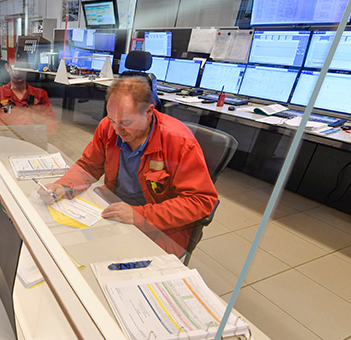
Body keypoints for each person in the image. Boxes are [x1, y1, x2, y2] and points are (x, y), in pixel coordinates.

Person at [38, 77, 217, 257]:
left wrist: (138, 215)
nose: (117, 129)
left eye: (125, 122)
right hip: (114, 203)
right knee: (67, 244)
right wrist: (64, 186)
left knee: (112, 263)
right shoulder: (108, 127)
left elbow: (200, 201)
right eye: (112, 120)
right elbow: (89, 165)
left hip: (160, 224)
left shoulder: (179, 142)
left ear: (148, 112)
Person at [0, 62, 58, 135]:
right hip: (5, 143)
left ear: (28, 67)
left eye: (21, 68)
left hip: (34, 144)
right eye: (14, 68)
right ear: (7, 67)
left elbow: (51, 122)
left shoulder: (40, 95)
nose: (17, 73)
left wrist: (38, 134)